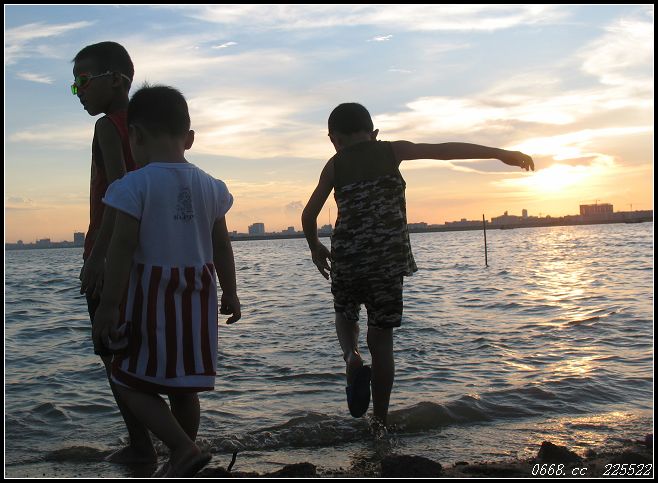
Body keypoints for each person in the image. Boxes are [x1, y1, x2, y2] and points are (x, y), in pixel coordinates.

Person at [301, 102, 534, 432]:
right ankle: (380, 422)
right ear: (374, 134)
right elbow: (444, 150)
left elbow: (308, 215)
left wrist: (315, 247)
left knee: (345, 314)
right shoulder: (392, 151)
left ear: (333, 139)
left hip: (347, 259)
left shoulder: (334, 165)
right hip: (387, 263)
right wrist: (500, 153)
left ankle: (351, 356)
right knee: (382, 343)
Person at [92, 85, 241, 477]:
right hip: (198, 299)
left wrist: (108, 307)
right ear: (189, 138)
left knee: (126, 381)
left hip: (152, 298)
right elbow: (221, 246)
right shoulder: (212, 186)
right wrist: (231, 291)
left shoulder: (132, 186)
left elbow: (122, 249)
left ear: (135, 136)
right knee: (184, 388)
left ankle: (181, 448)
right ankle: (181, 459)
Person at [72, 41, 157, 463]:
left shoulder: (107, 127)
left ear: (118, 80)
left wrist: (97, 256)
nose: (79, 91)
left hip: (109, 252)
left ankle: (142, 445)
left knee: (112, 354)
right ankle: (175, 441)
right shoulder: (147, 130)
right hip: (147, 252)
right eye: (75, 85)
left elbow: (120, 191)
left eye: (84, 81)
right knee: (144, 351)